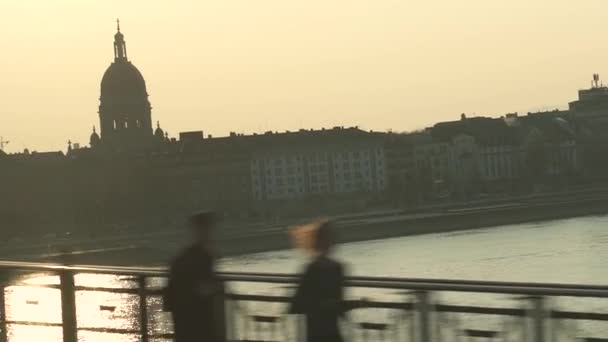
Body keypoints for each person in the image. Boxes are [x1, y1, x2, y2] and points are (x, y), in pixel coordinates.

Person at [164, 212, 226, 342]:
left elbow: (170, 295)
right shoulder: (203, 257)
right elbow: (201, 289)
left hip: (184, 323)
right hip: (198, 323)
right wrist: (218, 287)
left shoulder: (181, 257)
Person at [289, 221, 346, 342]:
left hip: (328, 331)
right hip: (318, 333)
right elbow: (296, 305)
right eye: (328, 237)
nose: (331, 242)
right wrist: (325, 304)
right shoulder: (314, 269)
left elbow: (339, 304)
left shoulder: (337, 268)